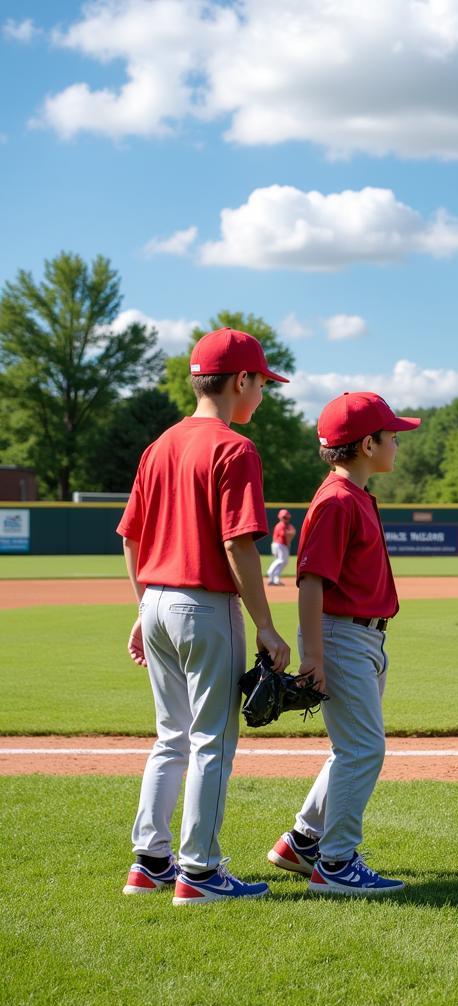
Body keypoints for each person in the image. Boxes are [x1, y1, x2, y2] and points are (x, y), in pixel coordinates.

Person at [117, 327, 291, 904]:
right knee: (212, 739)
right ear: (240, 380)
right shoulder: (234, 448)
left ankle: (150, 863)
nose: (263, 394)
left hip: (157, 599)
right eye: (262, 383)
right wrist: (265, 624)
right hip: (203, 605)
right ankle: (201, 872)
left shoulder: (160, 443)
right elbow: (239, 545)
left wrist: (144, 605)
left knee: (171, 737)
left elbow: (131, 538)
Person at [266, 392, 419, 896]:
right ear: (367, 443)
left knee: (351, 747)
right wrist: (313, 656)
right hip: (342, 634)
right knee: (364, 749)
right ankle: (335, 864)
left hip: (361, 635)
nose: (397, 442)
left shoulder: (351, 494)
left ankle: (304, 841)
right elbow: (310, 581)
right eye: (391, 435)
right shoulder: (336, 500)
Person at [266, 509, 296, 585]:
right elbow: (285, 535)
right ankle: (270, 572)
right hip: (279, 544)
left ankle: (275, 578)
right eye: (284, 517)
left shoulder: (286, 525)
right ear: (280, 517)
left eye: (287, 517)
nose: (286, 519)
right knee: (281, 560)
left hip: (280, 545)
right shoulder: (281, 525)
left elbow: (290, 533)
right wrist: (291, 534)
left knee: (284, 562)